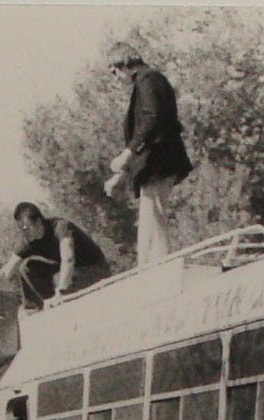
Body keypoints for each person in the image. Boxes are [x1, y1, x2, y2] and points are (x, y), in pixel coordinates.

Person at [103, 42, 194, 266]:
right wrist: (123, 174)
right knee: (150, 219)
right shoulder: (147, 81)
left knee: (153, 219)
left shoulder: (148, 80)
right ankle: (150, 268)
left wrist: (127, 153)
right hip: (155, 164)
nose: (114, 77)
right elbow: (149, 131)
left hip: (159, 164)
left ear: (123, 63)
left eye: (113, 70)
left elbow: (152, 120)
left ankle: (157, 270)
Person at [0, 202, 111, 309]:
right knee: (27, 267)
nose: (25, 232)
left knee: (64, 279)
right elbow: (6, 272)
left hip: (95, 269)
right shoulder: (28, 241)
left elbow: (68, 259)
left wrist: (61, 291)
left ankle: (60, 298)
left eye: (28, 228)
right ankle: (38, 306)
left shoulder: (60, 226)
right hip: (74, 272)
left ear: (39, 222)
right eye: (22, 229)